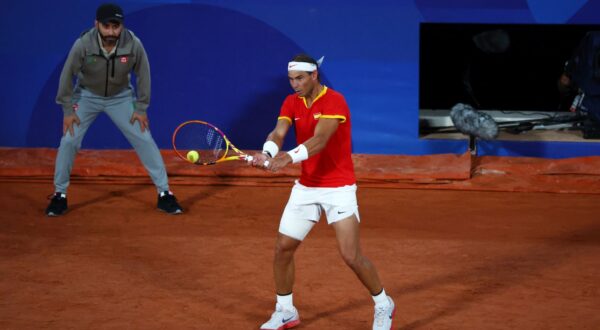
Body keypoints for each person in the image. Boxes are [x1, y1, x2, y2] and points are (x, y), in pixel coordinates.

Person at [252, 54, 395, 330]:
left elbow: (319, 140)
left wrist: (286, 159)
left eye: (300, 78)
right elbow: (279, 131)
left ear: (314, 75)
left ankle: (383, 303)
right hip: (307, 186)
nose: (295, 85)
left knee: (350, 255)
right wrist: (268, 152)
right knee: (283, 248)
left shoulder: (334, 100)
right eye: (291, 79)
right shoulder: (291, 101)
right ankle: (286, 310)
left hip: (338, 188)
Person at [45, 3, 183, 216]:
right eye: (106, 26)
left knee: (144, 138)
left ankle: (165, 193)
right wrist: (67, 110)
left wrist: (141, 107)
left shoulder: (133, 44)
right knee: (69, 140)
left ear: (121, 26)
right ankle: (59, 195)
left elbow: (144, 74)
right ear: (96, 25)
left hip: (121, 97)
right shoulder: (82, 44)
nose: (111, 32)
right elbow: (66, 76)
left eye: (115, 26)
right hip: (86, 95)